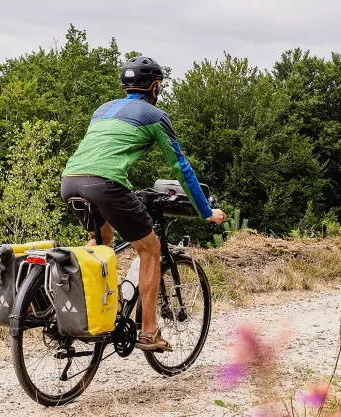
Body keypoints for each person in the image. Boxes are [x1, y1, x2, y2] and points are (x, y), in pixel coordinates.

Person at [61, 56, 225, 352]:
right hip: (106, 184)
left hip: (70, 180)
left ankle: (100, 304)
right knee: (150, 249)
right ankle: (149, 332)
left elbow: (101, 152)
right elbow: (181, 167)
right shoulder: (155, 116)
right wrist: (206, 212)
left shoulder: (102, 110)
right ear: (155, 87)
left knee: (101, 240)